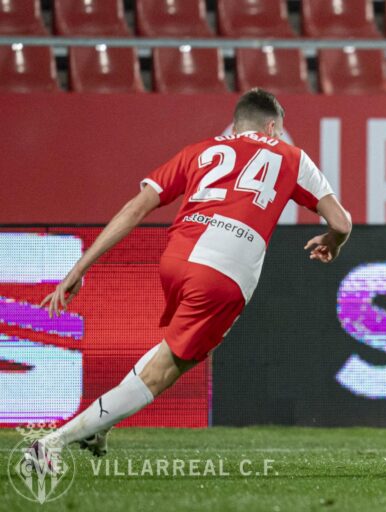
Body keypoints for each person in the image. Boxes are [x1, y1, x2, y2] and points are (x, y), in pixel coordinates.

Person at [30, 88, 352, 470]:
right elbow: (341, 221)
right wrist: (334, 241)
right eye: (279, 131)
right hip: (225, 270)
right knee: (164, 371)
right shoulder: (290, 156)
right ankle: (52, 443)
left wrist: (79, 268)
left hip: (177, 257)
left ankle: (100, 426)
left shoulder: (198, 151)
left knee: (169, 348)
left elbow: (136, 208)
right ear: (271, 127)